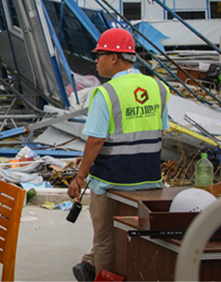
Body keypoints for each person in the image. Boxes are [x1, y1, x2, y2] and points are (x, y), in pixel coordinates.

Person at [68, 28, 170, 281]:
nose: (96, 60)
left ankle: (102, 275)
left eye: (99, 54)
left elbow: (96, 140)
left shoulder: (105, 93)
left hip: (110, 183)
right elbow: (161, 132)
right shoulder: (159, 88)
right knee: (139, 238)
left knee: (105, 240)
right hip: (150, 181)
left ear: (114, 57)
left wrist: (80, 177)